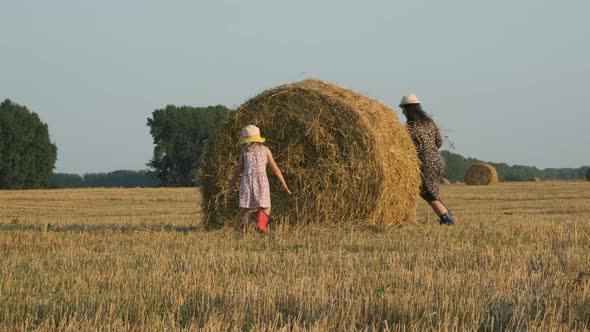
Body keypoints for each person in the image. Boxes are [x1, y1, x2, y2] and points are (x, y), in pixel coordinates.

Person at [399, 94, 455, 226]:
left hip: (425, 160)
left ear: (408, 109)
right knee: (431, 190)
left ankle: (446, 219)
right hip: (437, 158)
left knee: (427, 193)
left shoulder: (409, 127)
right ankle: (446, 212)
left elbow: (407, 148)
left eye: (403, 109)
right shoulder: (430, 122)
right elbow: (439, 142)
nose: (402, 111)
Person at [229, 124, 291, 233]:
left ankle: (243, 227)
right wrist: (283, 182)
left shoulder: (244, 151)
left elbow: (238, 169)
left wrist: (232, 184)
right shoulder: (266, 150)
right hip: (261, 182)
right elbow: (275, 168)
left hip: (247, 182)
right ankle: (261, 225)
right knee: (266, 206)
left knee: (249, 208)